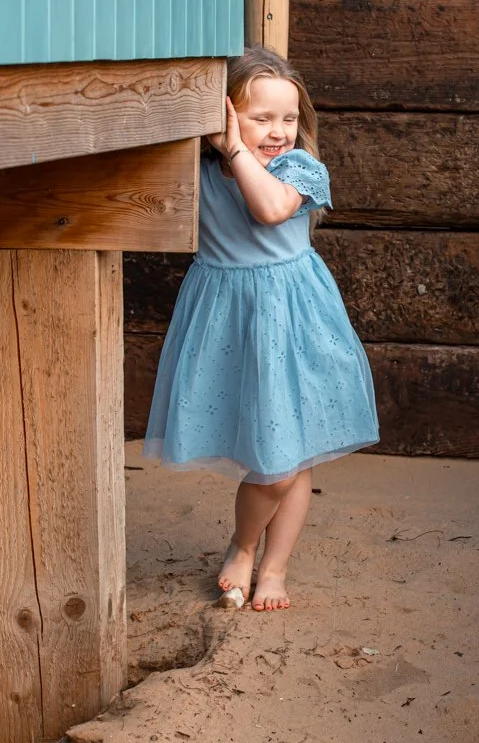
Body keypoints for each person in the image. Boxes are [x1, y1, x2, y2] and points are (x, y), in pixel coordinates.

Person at [143, 45, 379, 612]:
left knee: (285, 461)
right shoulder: (200, 171)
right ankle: (258, 557)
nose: (278, 131)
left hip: (294, 320)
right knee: (280, 455)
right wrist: (216, 148)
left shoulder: (299, 168)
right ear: (224, 115)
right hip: (229, 317)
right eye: (260, 118)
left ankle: (254, 556)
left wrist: (238, 150)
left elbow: (271, 210)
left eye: (290, 118)